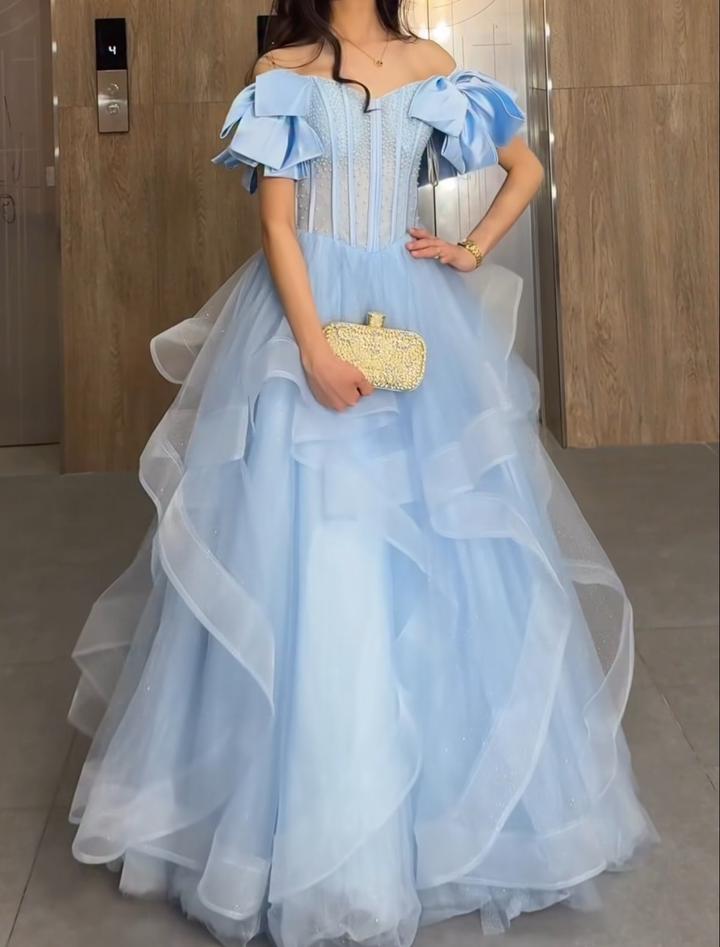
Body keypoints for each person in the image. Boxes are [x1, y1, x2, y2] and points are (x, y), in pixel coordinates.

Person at [66, 2, 658, 945]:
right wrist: (311, 350)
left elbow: (527, 167)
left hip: (410, 314)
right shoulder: (285, 69)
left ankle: (438, 818)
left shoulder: (433, 61)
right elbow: (278, 226)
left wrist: (468, 248)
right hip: (304, 320)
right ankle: (305, 834)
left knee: (445, 547)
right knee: (310, 549)